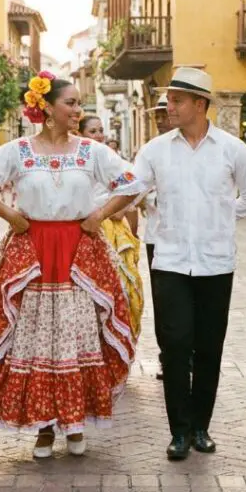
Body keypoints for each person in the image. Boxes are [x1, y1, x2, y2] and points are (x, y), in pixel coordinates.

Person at [0, 71, 142, 459]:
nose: (78, 110)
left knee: (77, 335)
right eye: (71, 103)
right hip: (33, 251)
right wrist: (11, 217)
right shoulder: (17, 151)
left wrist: (99, 215)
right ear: (46, 107)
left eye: (79, 104)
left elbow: (132, 183)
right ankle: (44, 428)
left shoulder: (92, 152)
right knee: (35, 336)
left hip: (79, 250)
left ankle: (76, 424)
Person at [103, 67, 246, 461]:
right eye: (169, 99)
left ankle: (201, 427)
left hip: (216, 262)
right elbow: (131, 189)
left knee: (209, 347)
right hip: (171, 260)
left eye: (176, 99)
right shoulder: (155, 150)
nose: (169, 106)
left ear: (200, 104)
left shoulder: (232, 149)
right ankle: (178, 431)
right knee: (174, 347)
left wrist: (222, 215)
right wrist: (94, 213)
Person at [79, 114, 143, 338]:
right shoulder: (76, 161)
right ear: (79, 134)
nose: (99, 135)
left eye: (100, 130)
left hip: (111, 230)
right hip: (83, 229)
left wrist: (122, 209)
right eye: (92, 131)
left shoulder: (111, 159)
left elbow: (136, 187)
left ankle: (117, 336)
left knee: (120, 287)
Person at [143, 93, 173, 381]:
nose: (162, 120)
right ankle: (169, 357)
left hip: (191, 237)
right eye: (158, 115)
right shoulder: (150, 151)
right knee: (163, 301)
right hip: (157, 237)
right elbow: (139, 190)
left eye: (165, 113)